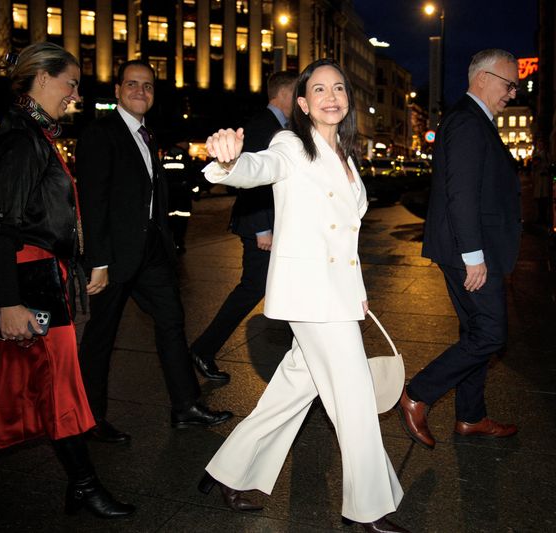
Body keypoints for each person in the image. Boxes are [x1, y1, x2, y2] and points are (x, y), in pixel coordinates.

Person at [198, 59, 407, 533]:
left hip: (338, 296)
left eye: (339, 88)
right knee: (353, 398)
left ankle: (227, 470)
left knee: (292, 391)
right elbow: (258, 167)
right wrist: (229, 160)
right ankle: (369, 508)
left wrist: (357, 292)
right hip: (310, 296)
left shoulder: (346, 156)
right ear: (303, 104)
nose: (331, 96)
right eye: (319, 90)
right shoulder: (291, 145)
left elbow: (344, 240)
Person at [0, 42, 134, 518]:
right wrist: (9, 303)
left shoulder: (31, 134)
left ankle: (81, 485)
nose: (75, 95)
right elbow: (1, 227)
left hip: (35, 277)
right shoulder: (20, 140)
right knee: (50, 385)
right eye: (71, 83)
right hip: (26, 282)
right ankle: (84, 486)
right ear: (43, 78)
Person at [76, 59, 232, 444]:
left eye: (147, 86)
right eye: (132, 84)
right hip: (113, 256)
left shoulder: (147, 134)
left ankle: (186, 406)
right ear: (117, 91)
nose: (140, 91)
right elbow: (92, 201)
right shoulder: (100, 133)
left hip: (151, 252)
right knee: (101, 337)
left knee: (172, 321)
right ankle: (88, 420)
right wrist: (98, 262)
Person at [397, 49, 522, 450]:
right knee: (491, 334)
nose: (513, 94)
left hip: (471, 247)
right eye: (509, 84)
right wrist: (474, 256)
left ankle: (470, 416)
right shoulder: (468, 121)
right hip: (470, 250)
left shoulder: (472, 119)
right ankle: (418, 393)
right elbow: (461, 193)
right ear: (483, 78)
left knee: (475, 331)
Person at [190, 70, 296, 383]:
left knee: (274, 288)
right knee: (252, 288)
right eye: (298, 92)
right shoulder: (265, 125)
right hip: (261, 226)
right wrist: (262, 229)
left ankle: (302, 362)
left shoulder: (278, 126)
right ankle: (203, 349)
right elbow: (252, 179)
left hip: (270, 226)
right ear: (284, 94)